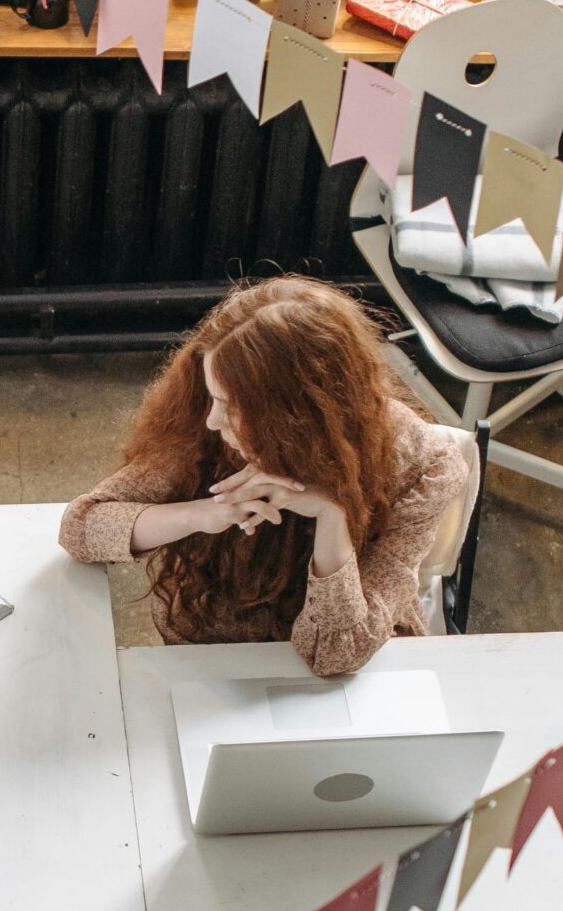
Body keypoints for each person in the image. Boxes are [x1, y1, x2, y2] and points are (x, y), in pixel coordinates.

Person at [59, 278, 466, 678]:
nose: (214, 420)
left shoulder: (424, 464)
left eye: (231, 406)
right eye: (213, 397)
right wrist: (204, 513)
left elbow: (336, 653)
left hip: (356, 668)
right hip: (215, 652)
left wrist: (332, 515)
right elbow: (82, 529)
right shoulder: (201, 428)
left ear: (297, 416)